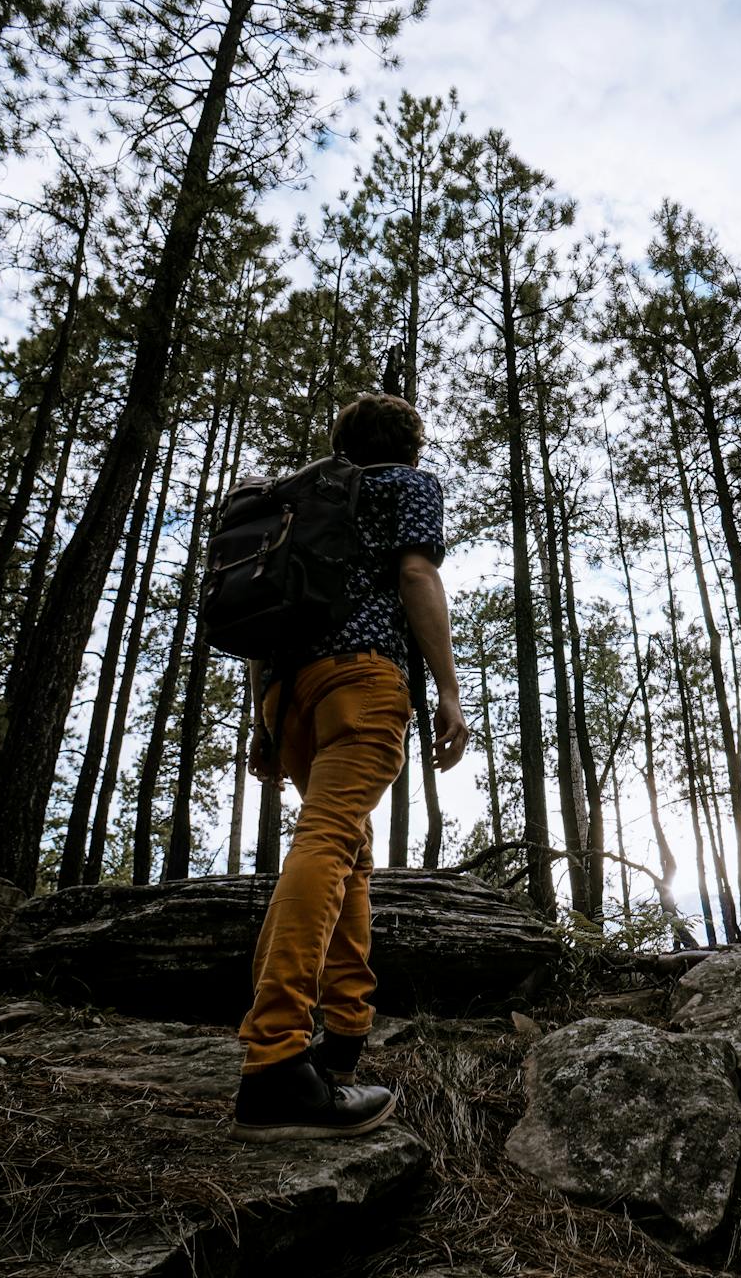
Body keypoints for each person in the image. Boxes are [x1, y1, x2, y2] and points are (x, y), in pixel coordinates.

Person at [231, 392, 469, 1142]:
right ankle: (274, 1062)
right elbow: (416, 577)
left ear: (343, 444)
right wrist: (450, 688)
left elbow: (267, 614)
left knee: (351, 853)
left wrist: (262, 718)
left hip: (289, 696)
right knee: (331, 841)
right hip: (362, 682)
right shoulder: (407, 485)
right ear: (413, 447)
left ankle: (345, 1036)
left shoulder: (302, 498)